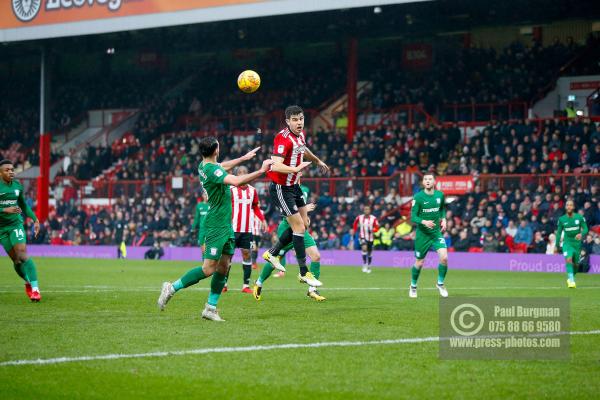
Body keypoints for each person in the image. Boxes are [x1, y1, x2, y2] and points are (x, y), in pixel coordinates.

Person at [157, 139, 272, 321]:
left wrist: (243, 158)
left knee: (224, 267)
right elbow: (236, 180)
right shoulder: (211, 170)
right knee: (209, 268)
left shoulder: (204, 165)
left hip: (227, 225)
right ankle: (171, 287)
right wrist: (261, 171)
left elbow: (222, 166)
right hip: (216, 225)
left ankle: (210, 308)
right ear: (216, 150)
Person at [263, 105, 328, 288]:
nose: (299, 122)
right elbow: (275, 165)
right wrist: (295, 169)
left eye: (301, 119)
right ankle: (303, 272)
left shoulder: (300, 136)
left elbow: (304, 150)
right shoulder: (282, 139)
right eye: (295, 120)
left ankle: (273, 252)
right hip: (281, 188)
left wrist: (317, 161)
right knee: (299, 226)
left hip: (293, 186)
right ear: (288, 121)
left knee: (305, 224)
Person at [254, 184, 325, 302]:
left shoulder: (304, 189)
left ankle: (312, 290)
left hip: (301, 228)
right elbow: (287, 212)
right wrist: (305, 209)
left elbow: (302, 208)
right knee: (275, 258)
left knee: (316, 256)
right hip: (287, 227)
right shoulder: (284, 188)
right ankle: (259, 282)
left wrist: (306, 216)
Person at [0, 160, 41, 302]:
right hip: (1, 229)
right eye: (7, 170)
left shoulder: (17, 186)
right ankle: (29, 282)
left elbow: (23, 205)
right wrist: (4, 209)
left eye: (12, 169)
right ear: (0, 173)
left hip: (15, 225)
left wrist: (35, 219)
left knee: (22, 255)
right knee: (16, 261)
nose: (11, 172)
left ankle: (36, 290)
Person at [225, 166, 266, 294]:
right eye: (240, 173)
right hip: (231, 229)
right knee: (227, 257)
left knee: (247, 254)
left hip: (247, 229)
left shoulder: (253, 191)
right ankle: (224, 284)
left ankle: (245, 286)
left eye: (245, 173)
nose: (243, 174)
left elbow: (255, 207)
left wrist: (262, 220)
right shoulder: (230, 189)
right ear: (236, 176)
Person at [409, 174, 448, 298]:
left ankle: (440, 284)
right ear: (423, 182)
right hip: (422, 235)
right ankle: (413, 286)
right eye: (425, 179)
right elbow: (413, 216)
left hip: (436, 233)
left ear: (434, 182)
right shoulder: (418, 197)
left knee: (444, 258)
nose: (427, 181)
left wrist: (444, 219)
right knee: (419, 263)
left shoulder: (440, 195)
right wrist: (424, 222)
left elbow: (442, 209)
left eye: (430, 179)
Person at [555, 200, 588, 288]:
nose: (569, 206)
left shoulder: (579, 217)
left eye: (571, 205)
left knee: (576, 265)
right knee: (569, 259)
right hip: (567, 243)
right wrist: (556, 245)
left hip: (577, 244)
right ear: (566, 207)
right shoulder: (562, 219)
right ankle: (572, 281)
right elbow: (558, 233)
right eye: (567, 205)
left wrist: (581, 234)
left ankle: (570, 277)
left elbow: (585, 229)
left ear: (573, 207)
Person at [353, 205, 380, 273]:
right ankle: (364, 264)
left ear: (370, 210)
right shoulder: (360, 217)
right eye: (365, 209)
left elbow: (377, 227)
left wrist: (372, 230)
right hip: (362, 236)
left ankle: (369, 265)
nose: (366, 211)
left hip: (370, 238)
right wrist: (355, 230)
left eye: (368, 209)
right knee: (364, 248)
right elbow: (355, 223)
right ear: (363, 210)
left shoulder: (373, 218)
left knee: (370, 252)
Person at [191, 190, 209, 256]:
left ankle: (210, 263)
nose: (206, 196)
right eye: (205, 195)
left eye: (207, 195)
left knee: (210, 248)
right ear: (202, 196)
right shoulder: (199, 205)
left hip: (211, 229)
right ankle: (205, 264)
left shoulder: (212, 205)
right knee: (203, 248)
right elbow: (196, 218)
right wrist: (193, 228)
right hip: (202, 229)